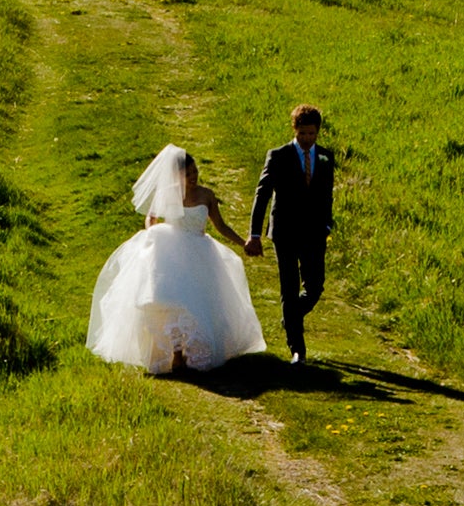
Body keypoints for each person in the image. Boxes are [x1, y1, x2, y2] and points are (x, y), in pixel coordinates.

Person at [83, 145, 268, 377]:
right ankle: (176, 354)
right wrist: (155, 234)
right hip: (170, 253)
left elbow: (220, 225)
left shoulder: (206, 195)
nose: (192, 177)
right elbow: (151, 218)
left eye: (194, 172)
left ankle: (194, 350)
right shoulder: (167, 193)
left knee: (196, 302)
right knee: (169, 302)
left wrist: (244, 243)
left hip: (200, 254)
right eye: (187, 174)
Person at [245, 105, 340, 364]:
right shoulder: (278, 156)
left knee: (315, 286)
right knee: (289, 286)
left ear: (318, 132)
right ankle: (298, 349)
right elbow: (262, 194)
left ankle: (291, 316)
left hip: (314, 232)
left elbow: (326, 193)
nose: (307, 139)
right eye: (302, 134)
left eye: (311, 134)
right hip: (285, 231)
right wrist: (254, 233)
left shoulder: (326, 157)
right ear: (294, 130)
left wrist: (327, 224)